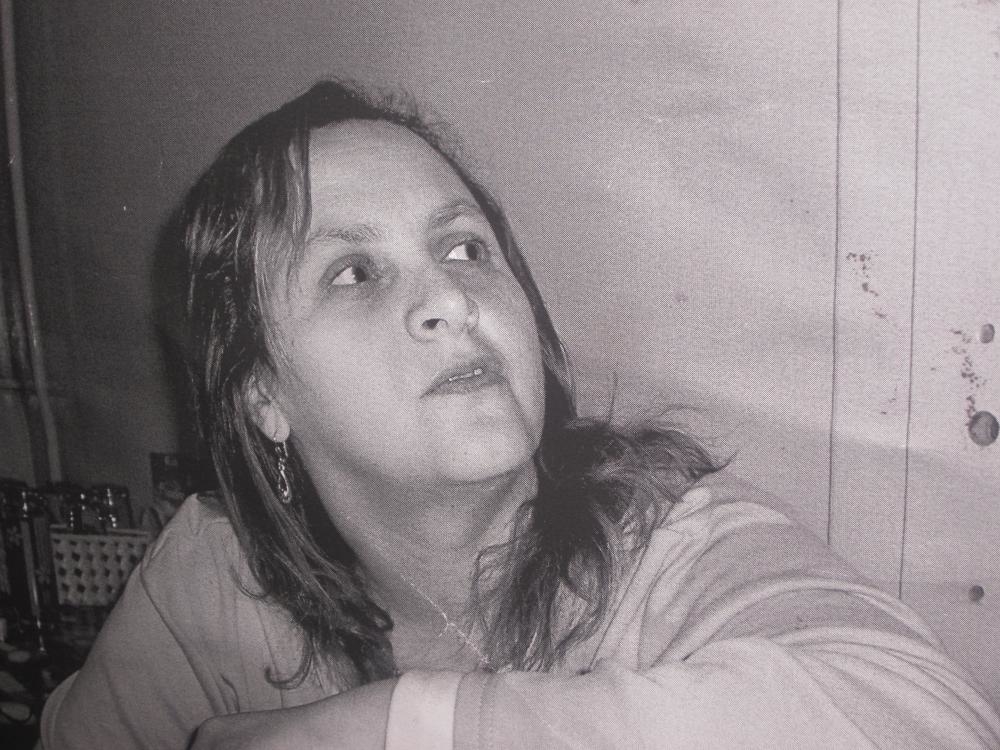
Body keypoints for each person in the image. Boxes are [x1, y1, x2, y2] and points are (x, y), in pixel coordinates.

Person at [41, 81, 1000, 749]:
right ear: (264, 397)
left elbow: (937, 725)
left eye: (464, 250)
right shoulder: (216, 573)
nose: (450, 301)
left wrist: (399, 729)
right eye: (354, 272)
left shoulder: (665, 547)